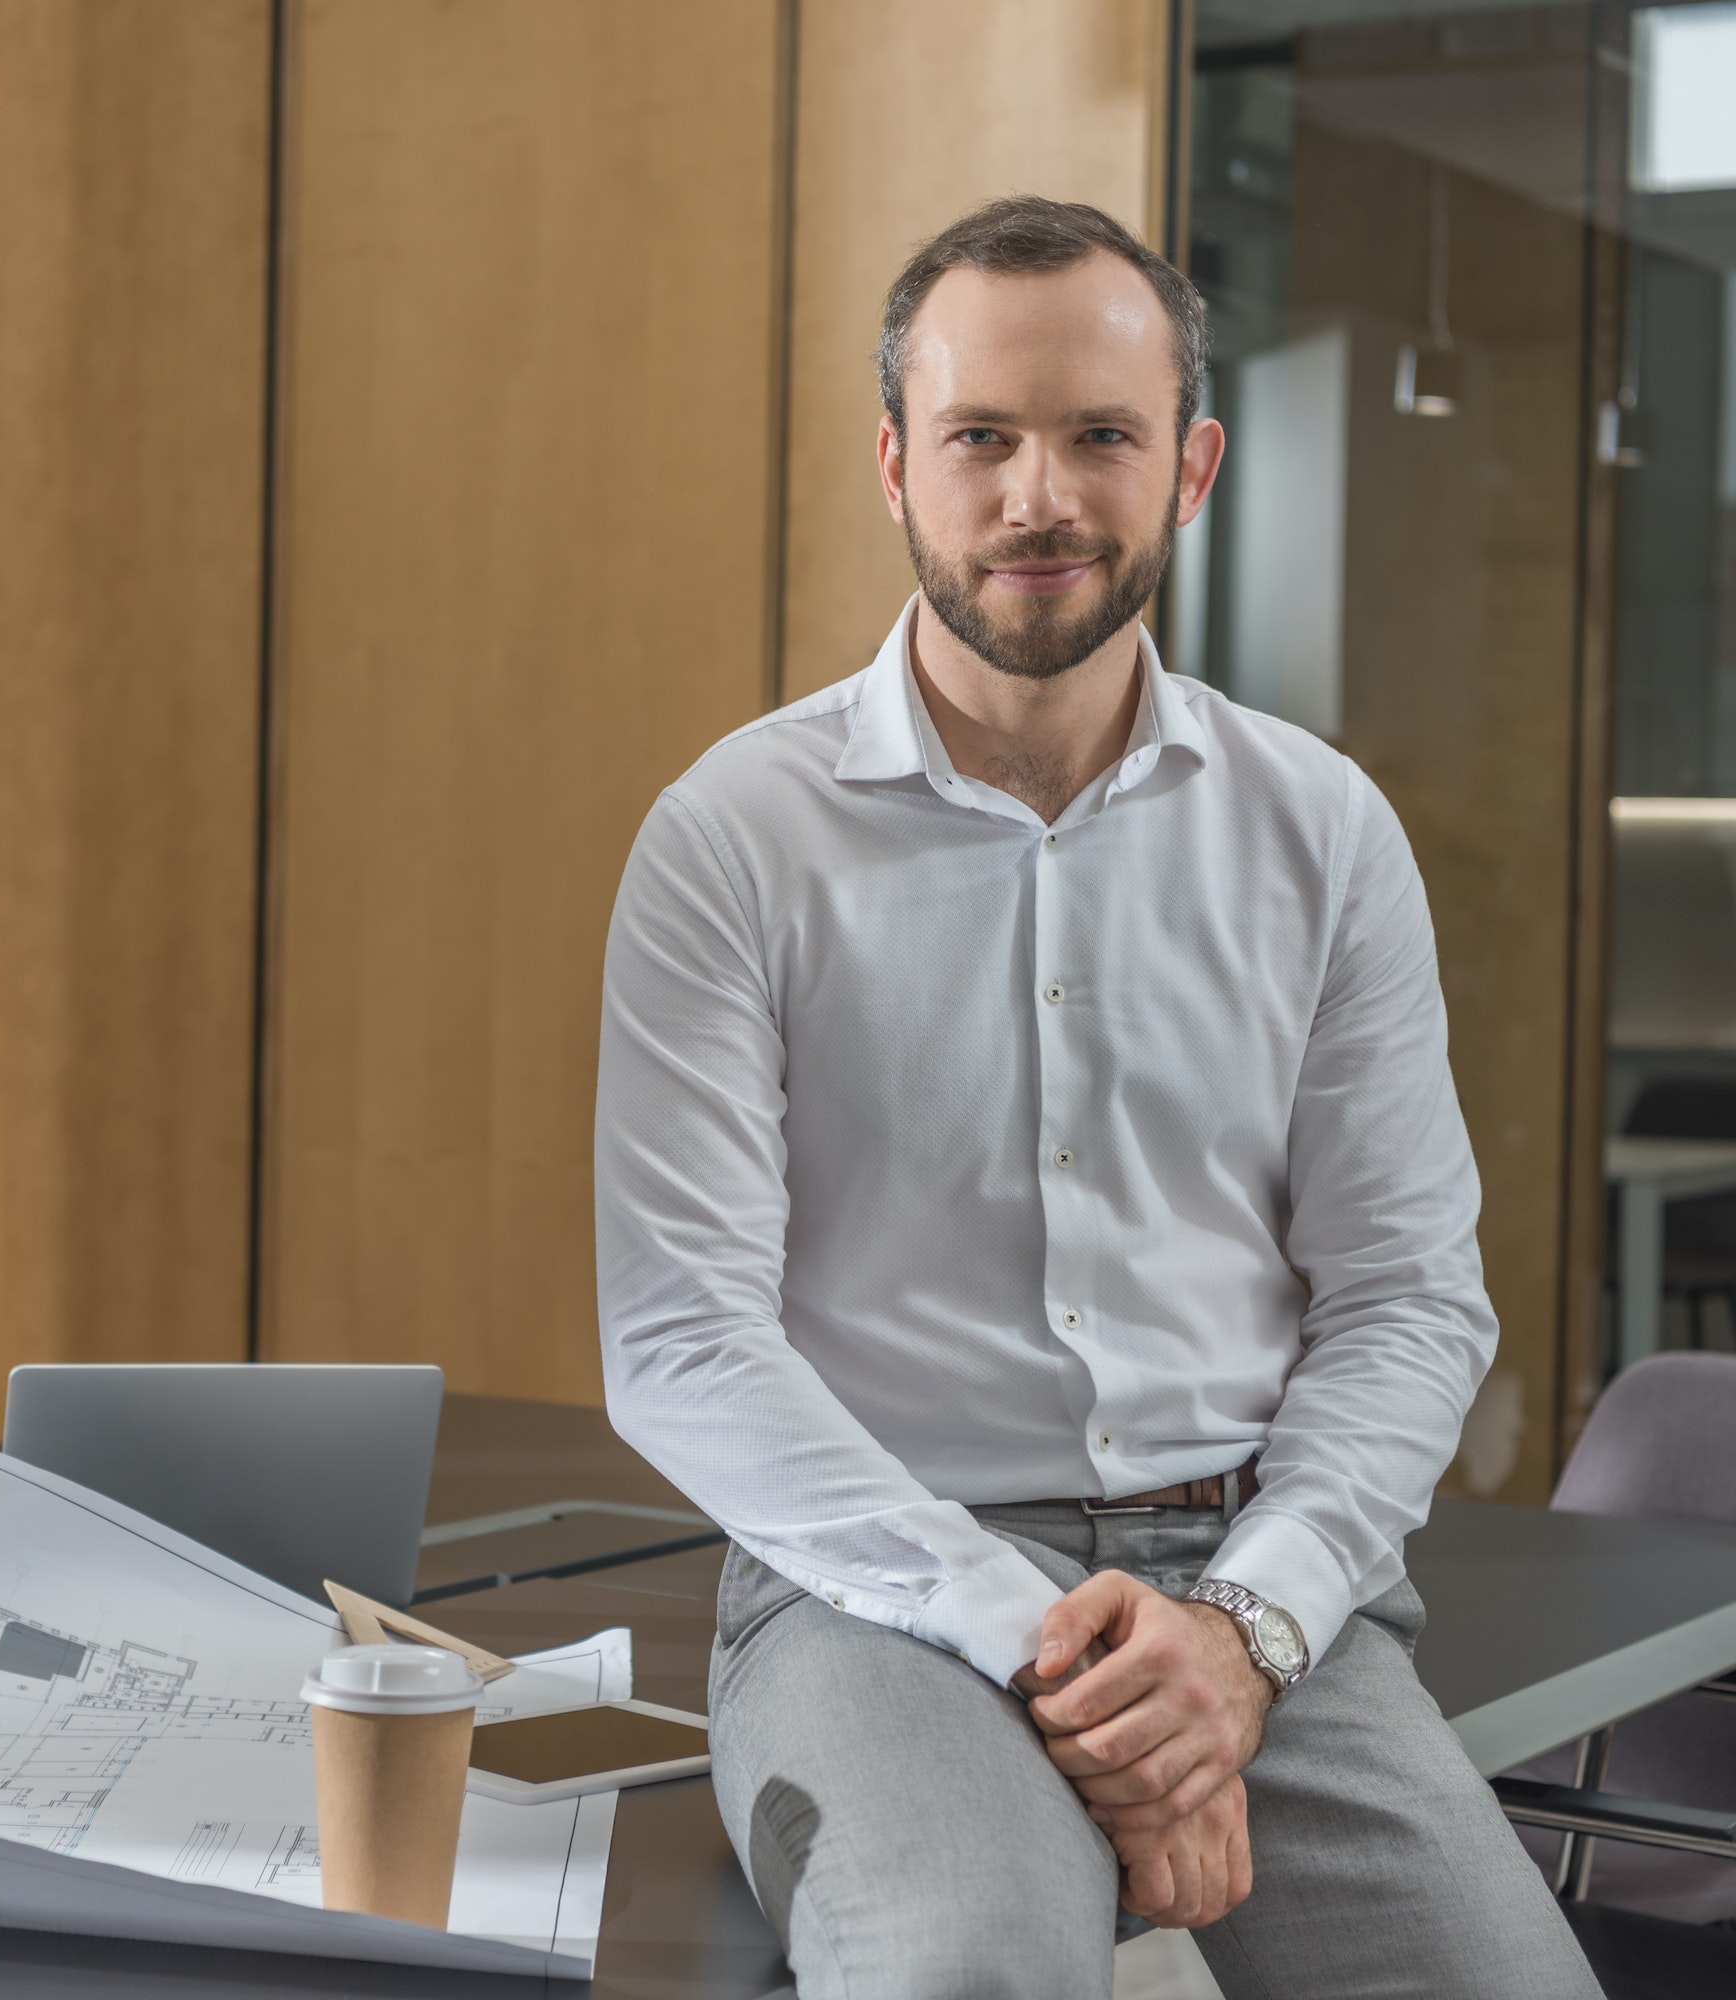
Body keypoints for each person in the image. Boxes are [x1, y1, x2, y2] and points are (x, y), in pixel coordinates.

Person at [593, 196, 1600, 1999]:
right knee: (967, 1971)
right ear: (896, 465)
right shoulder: (730, 841)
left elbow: (1405, 1300)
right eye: (981, 437)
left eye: (1101, 437)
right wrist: (1053, 1647)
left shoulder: (1324, 833)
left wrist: (1235, 1639)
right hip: (877, 1592)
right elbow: (681, 1339)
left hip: (1268, 1590)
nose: (1037, 496)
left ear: (1192, 468)